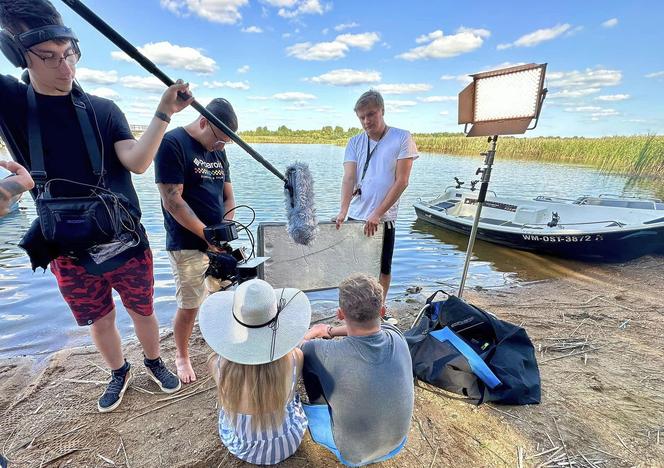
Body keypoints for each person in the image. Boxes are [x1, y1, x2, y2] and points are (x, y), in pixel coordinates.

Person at [0, 0, 193, 412]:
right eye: (49, 58)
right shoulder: (11, 104)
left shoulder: (104, 110)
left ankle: (154, 361)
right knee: (100, 319)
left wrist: (164, 111)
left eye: (70, 54)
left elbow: (138, 162)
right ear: (19, 55)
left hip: (125, 241)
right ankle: (118, 370)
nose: (65, 68)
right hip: (66, 248)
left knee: (142, 310)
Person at [154, 98, 237, 384]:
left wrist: (227, 227)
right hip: (186, 242)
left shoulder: (219, 151)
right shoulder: (172, 144)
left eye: (226, 143)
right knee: (190, 304)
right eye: (219, 141)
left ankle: (226, 346)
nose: (220, 147)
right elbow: (172, 200)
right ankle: (182, 355)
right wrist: (205, 234)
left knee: (225, 298)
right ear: (203, 122)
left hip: (218, 242)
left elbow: (228, 195)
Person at [301, 273, 414, 466]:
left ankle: (319, 414)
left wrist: (314, 333)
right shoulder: (396, 335)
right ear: (382, 310)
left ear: (340, 314)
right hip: (397, 443)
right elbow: (376, 328)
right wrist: (329, 331)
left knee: (308, 364)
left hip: (353, 456)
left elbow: (297, 347)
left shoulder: (321, 352)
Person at [199, 279, 311, 465]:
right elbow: (287, 353)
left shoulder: (217, 364)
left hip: (242, 447)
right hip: (289, 441)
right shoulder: (295, 358)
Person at [334, 90, 418, 316]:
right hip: (356, 215)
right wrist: (343, 210)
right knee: (353, 265)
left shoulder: (402, 137)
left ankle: (380, 307)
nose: (366, 121)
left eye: (371, 114)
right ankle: (352, 309)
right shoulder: (354, 142)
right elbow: (349, 178)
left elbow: (402, 181)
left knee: (383, 267)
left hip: (384, 219)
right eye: (361, 117)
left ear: (382, 111)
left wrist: (378, 213)